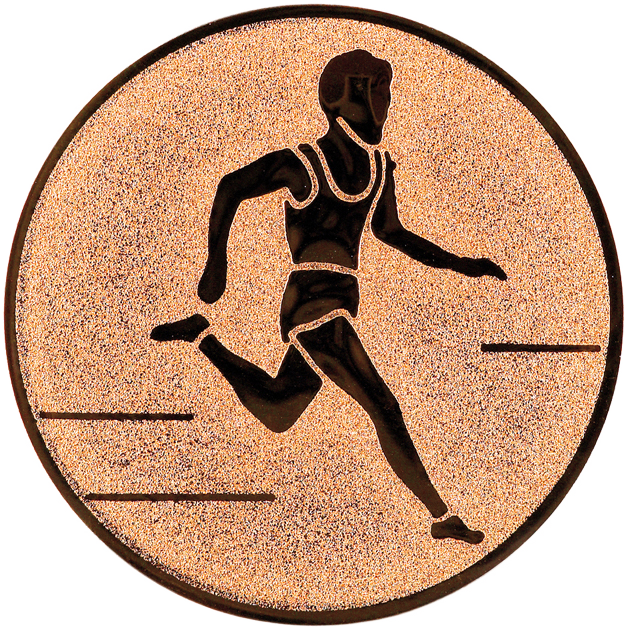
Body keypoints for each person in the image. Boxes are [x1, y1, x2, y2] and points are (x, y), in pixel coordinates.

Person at [152, 49, 506, 544]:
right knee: (383, 403)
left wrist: (462, 264)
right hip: (312, 304)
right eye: (379, 91)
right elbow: (231, 186)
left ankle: (201, 336)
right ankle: (441, 516)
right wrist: (217, 264)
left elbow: (393, 234)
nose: (387, 104)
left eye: (388, 93)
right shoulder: (302, 163)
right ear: (349, 94)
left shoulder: (379, 167)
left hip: (341, 299)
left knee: (279, 409)